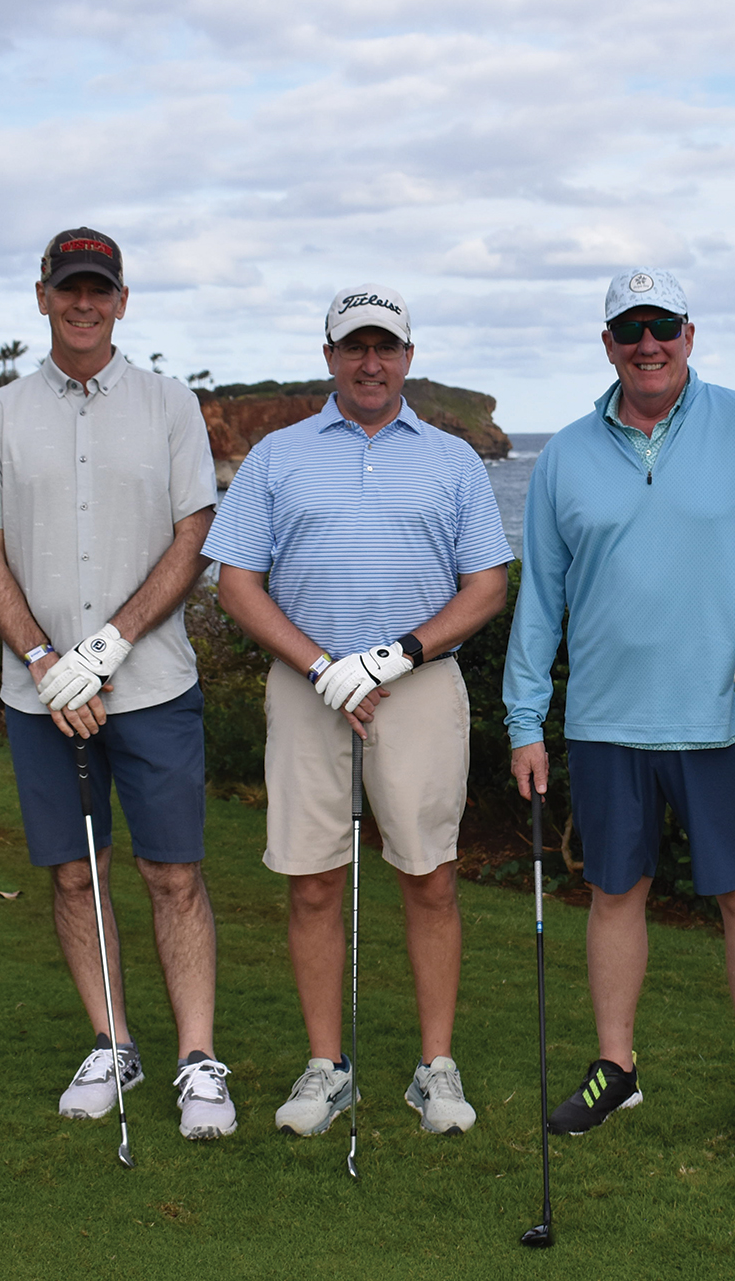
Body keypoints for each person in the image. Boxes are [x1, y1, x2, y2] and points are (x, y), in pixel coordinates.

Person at [503, 268, 735, 1160]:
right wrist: (523, 719)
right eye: (629, 327)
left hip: (725, 718)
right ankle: (618, 1066)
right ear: (607, 342)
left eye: (664, 326)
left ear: (691, 332)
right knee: (614, 894)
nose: (649, 343)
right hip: (605, 722)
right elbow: (541, 599)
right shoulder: (566, 451)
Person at [0, 228, 234, 1140]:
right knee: (76, 875)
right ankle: (114, 1042)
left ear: (121, 299)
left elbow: (193, 535)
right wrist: (43, 659)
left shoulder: (168, 405)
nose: (83, 303)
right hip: (39, 697)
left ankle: (197, 1059)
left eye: (98, 289)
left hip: (150, 685)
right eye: (68, 288)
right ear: (42, 297)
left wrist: (107, 644)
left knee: (172, 873)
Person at [207, 284, 511, 1138]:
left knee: (431, 876)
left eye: (385, 347)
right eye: (354, 347)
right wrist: (319, 664)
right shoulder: (277, 454)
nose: (370, 362)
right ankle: (324, 1066)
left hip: (418, 687)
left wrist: (396, 653)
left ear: (408, 357)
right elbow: (236, 582)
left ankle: (435, 1068)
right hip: (307, 693)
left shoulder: (451, 459)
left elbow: (486, 585)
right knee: (310, 882)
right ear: (330, 356)